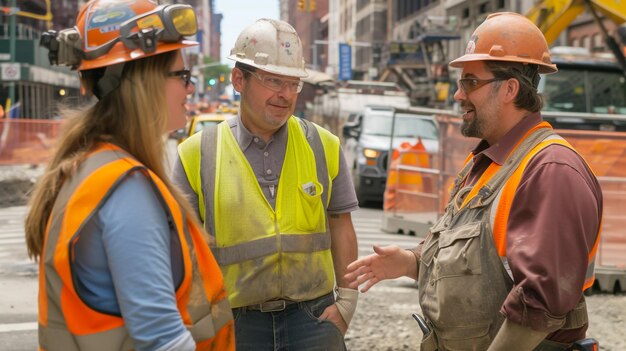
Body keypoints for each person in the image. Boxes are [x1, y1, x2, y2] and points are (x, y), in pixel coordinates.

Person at [345, 12, 602, 351]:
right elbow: (476, 261)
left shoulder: (550, 169)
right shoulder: (485, 163)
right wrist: (411, 262)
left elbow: (542, 302)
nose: (458, 95)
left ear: (510, 88)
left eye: (470, 82)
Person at [25, 1, 234, 350]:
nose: (190, 89)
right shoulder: (126, 188)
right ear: (145, 80)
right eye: (182, 75)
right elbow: (162, 340)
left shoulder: (91, 166)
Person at [172, 18, 359, 350]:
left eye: (293, 84)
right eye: (273, 80)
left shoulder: (323, 145)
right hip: (234, 320)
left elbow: (341, 225)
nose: (285, 95)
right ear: (238, 79)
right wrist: (202, 319)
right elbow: (183, 250)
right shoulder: (196, 154)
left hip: (313, 319)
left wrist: (346, 303)